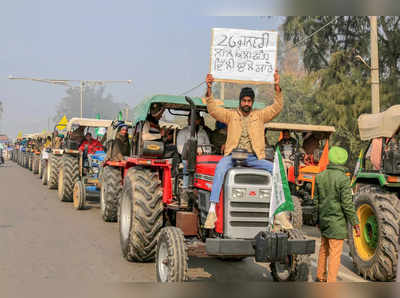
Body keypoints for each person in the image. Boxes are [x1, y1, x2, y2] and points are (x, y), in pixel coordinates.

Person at [204, 70, 283, 229]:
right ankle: (212, 211)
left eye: (249, 101)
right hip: (233, 156)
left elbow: (276, 108)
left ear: (252, 102)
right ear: (240, 101)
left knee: (277, 171)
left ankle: (279, 214)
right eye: (244, 100)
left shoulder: (260, 116)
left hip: (255, 158)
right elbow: (213, 110)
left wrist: (277, 86)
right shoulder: (230, 116)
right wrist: (209, 88)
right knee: (219, 168)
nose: (246, 103)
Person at [314, 146, 360, 282]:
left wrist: (317, 220)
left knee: (324, 248)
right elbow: (347, 205)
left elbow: (316, 202)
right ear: (343, 160)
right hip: (337, 222)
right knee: (335, 253)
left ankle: (320, 275)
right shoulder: (343, 179)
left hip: (324, 220)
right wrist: (355, 222)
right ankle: (331, 282)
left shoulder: (320, 177)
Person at [177, 111, 211, 206]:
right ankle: (185, 192)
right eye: (191, 119)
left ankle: (205, 192)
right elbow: (180, 149)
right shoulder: (183, 132)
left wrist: (203, 152)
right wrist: (192, 152)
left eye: (195, 119)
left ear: (198, 120)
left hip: (202, 159)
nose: (193, 121)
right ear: (188, 120)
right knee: (187, 165)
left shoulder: (203, 132)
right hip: (187, 158)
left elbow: (208, 147)